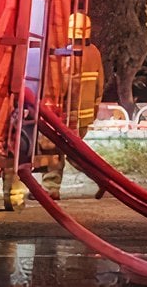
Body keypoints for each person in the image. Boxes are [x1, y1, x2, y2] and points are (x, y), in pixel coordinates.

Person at [42, 12, 104, 200]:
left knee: (55, 150)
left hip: (66, 116)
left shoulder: (68, 55)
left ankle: (52, 188)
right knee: (72, 153)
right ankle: (100, 178)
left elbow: (60, 88)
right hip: (84, 117)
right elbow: (100, 85)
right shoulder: (94, 52)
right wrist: (94, 111)